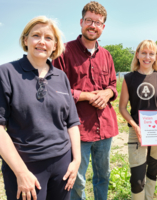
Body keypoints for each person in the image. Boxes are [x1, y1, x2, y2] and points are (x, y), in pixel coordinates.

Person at [0, 16, 81, 200]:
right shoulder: (6, 73)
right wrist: (21, 173)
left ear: (55, 45)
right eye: (36, 35)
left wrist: (76, 161)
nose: (42, 42)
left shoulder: (61, 77)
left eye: (48, 38)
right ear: (25, 40)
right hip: (26, 167)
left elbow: (72, 123)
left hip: (62, 165)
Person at [52, 2, 118, 200]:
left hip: (105, 128)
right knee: (77, 179)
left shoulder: (106, 55)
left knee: (103, 176)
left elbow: (113, 85)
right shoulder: (63, 52)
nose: (93, 25)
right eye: (89, 20)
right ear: (81, 22)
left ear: (103, 27)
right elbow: (55, 89)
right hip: (77, 129)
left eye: (98, 22)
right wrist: (88, 96)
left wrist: (107, 93)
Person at [119, 39, 157, 200]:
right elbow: (122, 108)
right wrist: (135, 126)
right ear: (137, 54)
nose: (147, 57)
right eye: (144, 53)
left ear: (156, 56)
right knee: (137, 178)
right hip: (137, 132)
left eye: (151, 53)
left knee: (153, 171)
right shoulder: (129, 78)